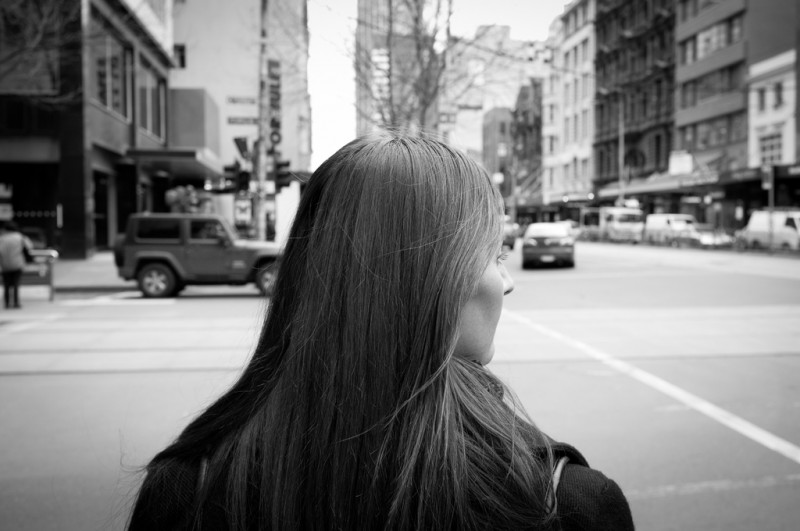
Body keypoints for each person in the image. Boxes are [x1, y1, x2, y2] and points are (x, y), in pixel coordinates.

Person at [128, 133, 634, 530]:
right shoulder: (560, 502)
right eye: (495, 254)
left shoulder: (186, 491)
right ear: (429, 278)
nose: (507, 283)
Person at [0, 220, 33, 310]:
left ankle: (7, 303)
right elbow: (29, 247)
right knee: (15, 283)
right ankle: (16, 302)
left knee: (6, 284)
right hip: (17, 263)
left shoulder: (2, 238)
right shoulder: (20, 237)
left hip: (5, 264)